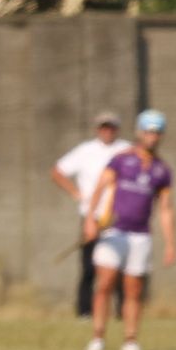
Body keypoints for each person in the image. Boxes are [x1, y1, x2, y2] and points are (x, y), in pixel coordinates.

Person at [82, 109, 176, 350]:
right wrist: (90, 221)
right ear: (139, 132)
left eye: (156, 133)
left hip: (141, 235)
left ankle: (130, 340)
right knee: (104, 284)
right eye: (148, 132)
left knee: (134, 289)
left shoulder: (162, 170)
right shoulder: (121, 159)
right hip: (114, 231)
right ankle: (97, 338)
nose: (152, 137)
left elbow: (165, 209)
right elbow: (100, 188)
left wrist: (170, 243)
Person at [50, 112, 131, 316]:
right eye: (103, 127)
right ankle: (85, 311)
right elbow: (57, 171)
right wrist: (76, 194)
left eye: (111, 127)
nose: (107, 131)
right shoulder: (85, 151)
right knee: (89, 267)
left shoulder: (126, 150)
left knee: (121, 267)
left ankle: (123, 311)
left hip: (118, 216)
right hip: (92, 217)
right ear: (97, 129)